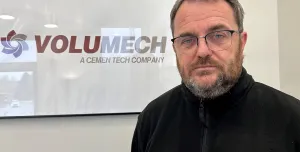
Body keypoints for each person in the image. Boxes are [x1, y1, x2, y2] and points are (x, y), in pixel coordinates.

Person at [131, 0, 300, 152]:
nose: (202, 51)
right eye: (187, 39)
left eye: (218, 35)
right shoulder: (152, 119)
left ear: (242, 43)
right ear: (175, 48)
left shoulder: (292, 118)